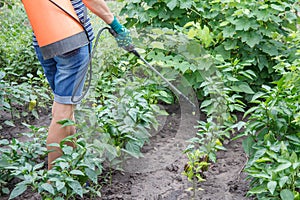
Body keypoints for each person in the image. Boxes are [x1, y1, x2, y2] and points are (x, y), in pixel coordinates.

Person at [32, 0, 132, 169]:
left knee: (64, 107)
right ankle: (54, 183)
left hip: (42, 39)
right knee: (63, 113)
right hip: (71, 40)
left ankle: (71, 167)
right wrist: (115, 25)